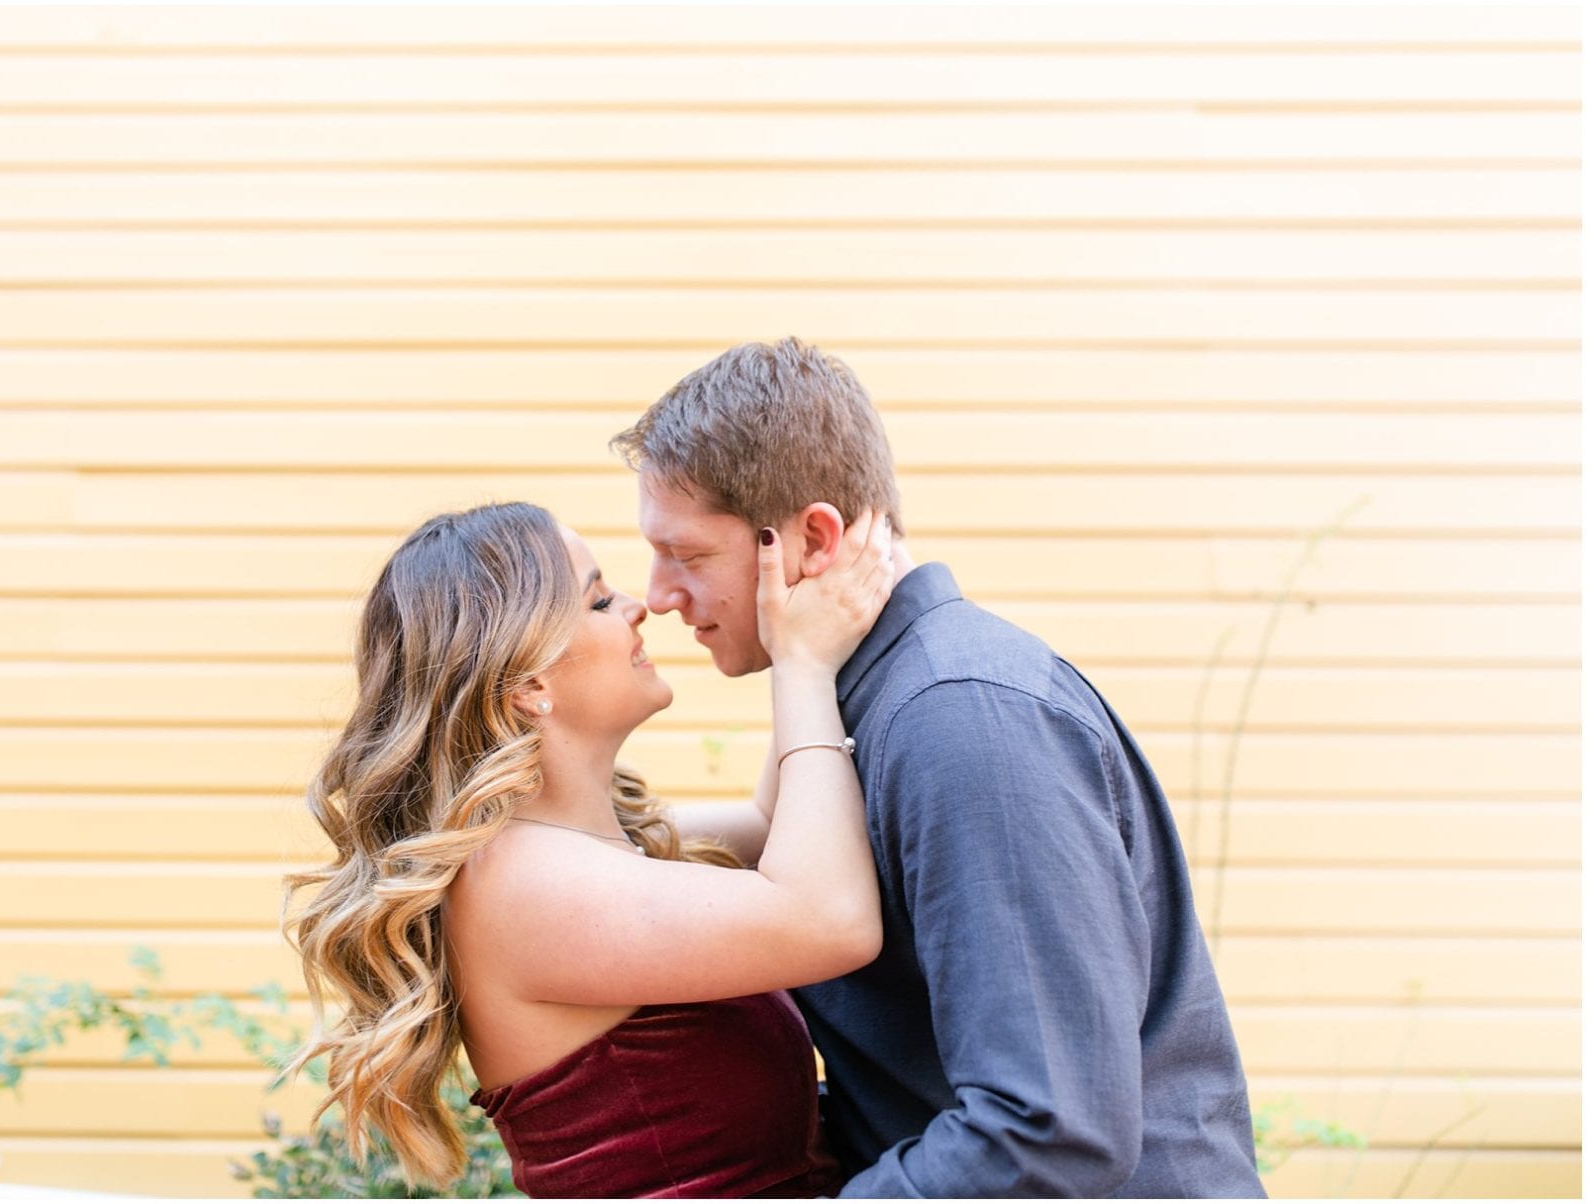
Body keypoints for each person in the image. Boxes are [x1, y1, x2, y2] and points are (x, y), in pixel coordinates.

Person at [612, 337, 1269, 1198]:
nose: (658, 596)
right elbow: (771, 846)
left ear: (814, 538)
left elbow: (1045, 1131)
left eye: (690, 556)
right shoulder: (866, 697)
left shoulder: (961, 720)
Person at [281, 499, 897, 1198]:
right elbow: (831, 919)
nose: (638, 606)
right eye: (599, 600)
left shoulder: (581, 853)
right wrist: (804, 665)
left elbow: (774, 817)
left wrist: (801, 611)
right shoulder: (520, 886)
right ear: (528, 683)